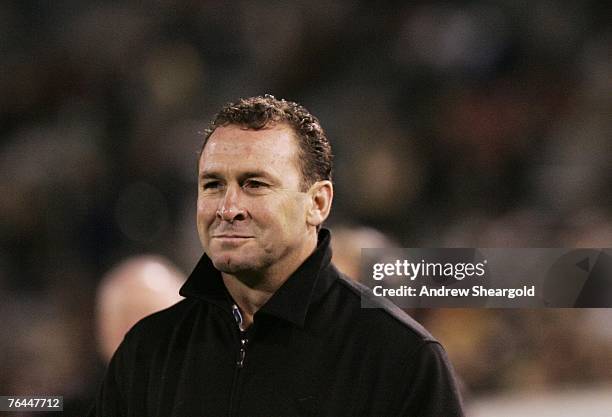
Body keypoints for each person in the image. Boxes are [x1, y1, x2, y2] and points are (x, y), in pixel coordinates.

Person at [89, 95, 464, 416]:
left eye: (254, 184)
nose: (228, 207)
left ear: (317, 203)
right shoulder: (148, 351)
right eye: (213, 185)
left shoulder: (400, 357)